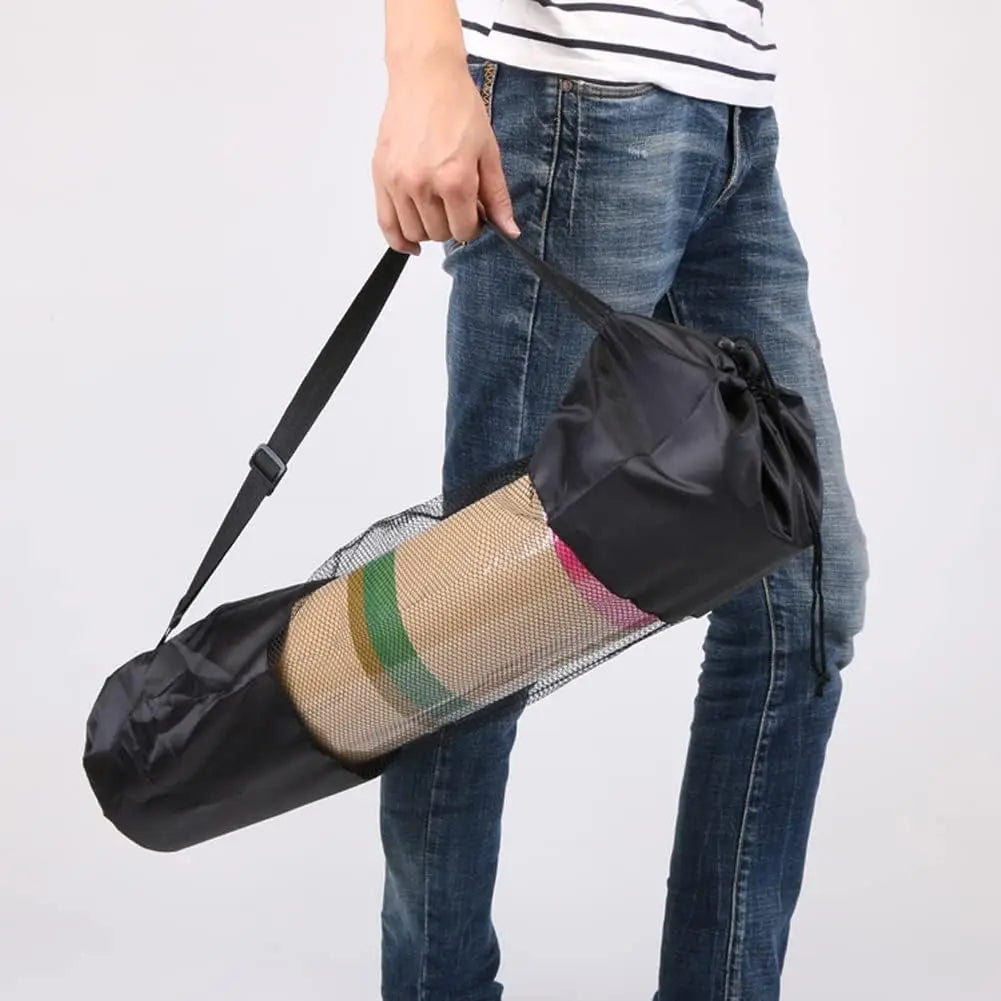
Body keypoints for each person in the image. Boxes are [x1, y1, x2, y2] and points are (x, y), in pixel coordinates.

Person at [369, 2, 869, 999]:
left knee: (806, 589)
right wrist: (421, 60)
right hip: (572, 96)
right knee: (473, 623)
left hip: (730, 112)